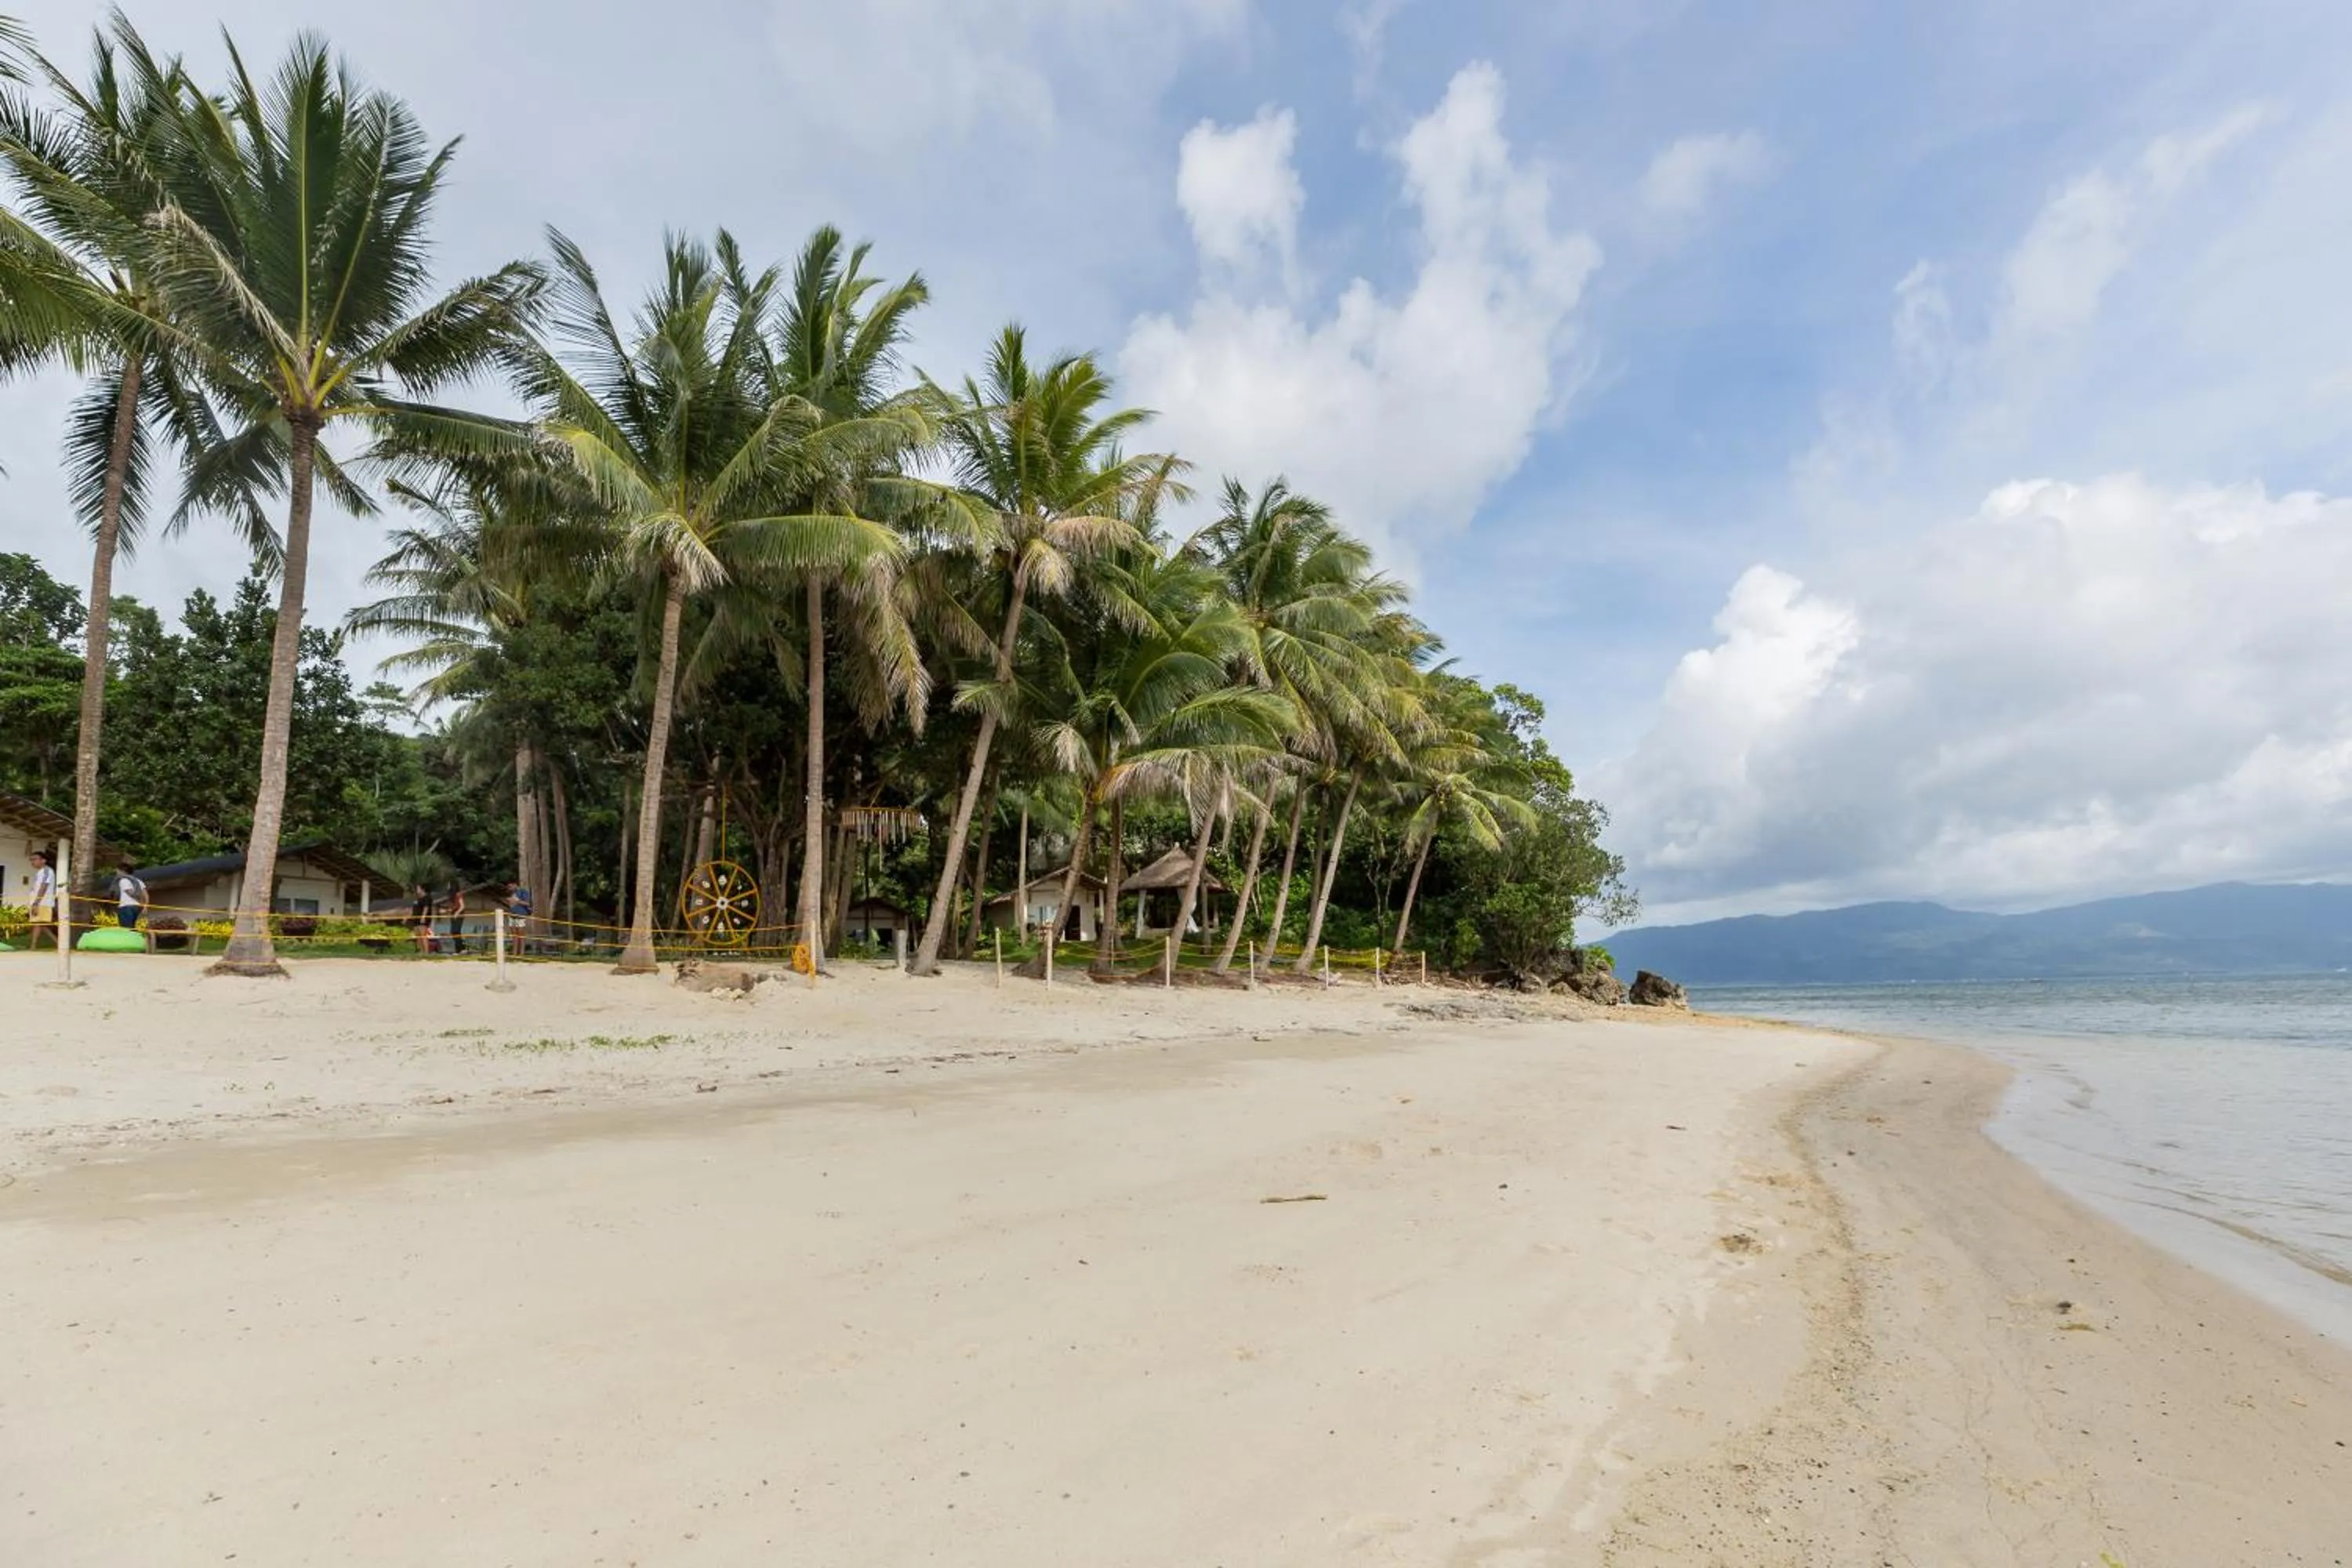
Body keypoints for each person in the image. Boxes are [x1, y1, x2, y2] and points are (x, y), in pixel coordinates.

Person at [25, 848, 56, 950]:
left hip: (43, 902)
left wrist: (36, 902)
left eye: (35, 859)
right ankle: (59, 943)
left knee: (38, 924)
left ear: (43, 860)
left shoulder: (47, 871)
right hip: (37, 902)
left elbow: (44, 886)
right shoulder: (40, 872)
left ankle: (33, 946)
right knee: (40, 924)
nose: (33, 862)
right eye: (31, 860)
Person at [114, 860, 147, 934]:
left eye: (117, 871)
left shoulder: (123, 880)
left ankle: (127, 944)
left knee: (126, 930)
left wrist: (139, 899)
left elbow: (130, 893)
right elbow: (146, 894)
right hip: (137, 908)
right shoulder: (139, 881)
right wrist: (145, 906)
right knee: (133, 929)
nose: (116, 873)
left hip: (126, 906)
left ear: (122, 871)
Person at [503, 880, 533, 954]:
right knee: (514, 936)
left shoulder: (523, 892)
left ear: (515, 885)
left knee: (521, 935)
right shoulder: (511, 893)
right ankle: (515, 952)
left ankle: (522, 953)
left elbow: (527, 903)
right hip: (512, 914)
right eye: (508, 887)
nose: (509, 888)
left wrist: (517, 901)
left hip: (521, 915)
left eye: (510, 886)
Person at [409, 883, 436, 955]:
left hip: (422, 919)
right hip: (416, 919)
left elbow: (426, 908)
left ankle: (426, 952)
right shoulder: (418, 898)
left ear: (422, 889)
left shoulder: (427, 897)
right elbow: (413, 909)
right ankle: (421, 951)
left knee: (423, 935)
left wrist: (423, 917)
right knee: (418, 936)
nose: (417, 890)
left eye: (418, 888)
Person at [443, 882, 468, 955]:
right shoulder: (451, 897)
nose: (447, 886)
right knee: (454, 932)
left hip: (459, 916)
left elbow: (462, 906)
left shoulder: (458, 895)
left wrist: (457, 913)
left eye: (449, 884)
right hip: (453, 916)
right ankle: (460, 949)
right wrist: (445, 911)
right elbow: (452, 908)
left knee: (456, 931)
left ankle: (461, 949)